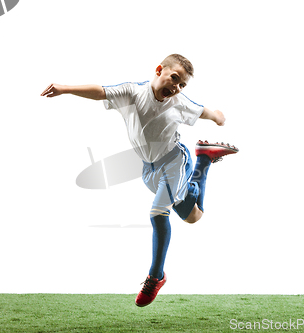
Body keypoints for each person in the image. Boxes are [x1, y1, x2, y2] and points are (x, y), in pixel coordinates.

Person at [41, 54, 238, 307]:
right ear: (159, 70)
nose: (176, 87)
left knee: (158, 213)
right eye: (174, 78)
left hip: (174, 160)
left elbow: (204, 111)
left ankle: (156, 277)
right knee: (193, 217)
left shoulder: (179, 101)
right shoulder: (133, 92)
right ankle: (204, 161)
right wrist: (64, 89)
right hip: (149, 170)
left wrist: (218, 117)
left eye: (181, 85)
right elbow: (100, 91)